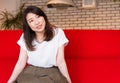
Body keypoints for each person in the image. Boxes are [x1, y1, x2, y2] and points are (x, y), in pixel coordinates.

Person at [7, 5, 71, 83]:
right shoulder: (25, 36)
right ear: (28, 25)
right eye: (31, 20)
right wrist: (9, 82)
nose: (37, 22)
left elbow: (60, 61)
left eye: (38, 17)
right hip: (30, 71)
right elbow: (21, 62)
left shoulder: (58, 33)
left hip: (51, 71)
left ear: (44, 17)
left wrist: (68, 81)